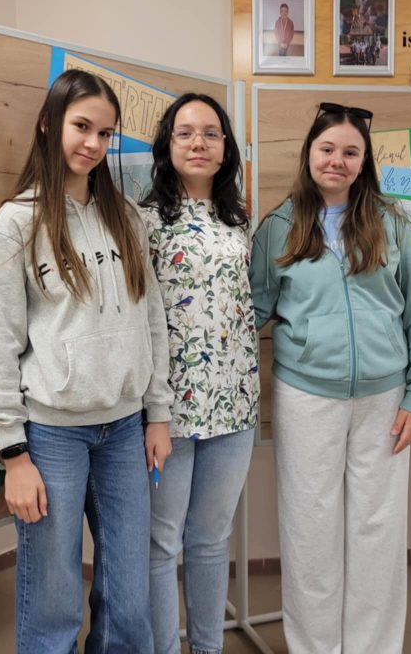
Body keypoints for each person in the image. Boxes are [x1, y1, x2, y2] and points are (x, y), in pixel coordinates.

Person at [0, 69, 173, 654]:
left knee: (129, 597)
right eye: (81, 126)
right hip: (52, 435)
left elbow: (152, 319)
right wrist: (13, 453)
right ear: (49, 124)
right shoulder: (16, 223)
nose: (93, 143)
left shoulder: (126, 217)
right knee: (53, 599)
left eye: (105, 134)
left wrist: (158, 413)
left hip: (125, 428)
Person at [249, 102, 411, 654]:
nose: (337, 160)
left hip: (385, 397)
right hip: (306, 397)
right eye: (327, 148)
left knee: (377, 530)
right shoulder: (279, 228)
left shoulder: (392, 222)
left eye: (350, 152)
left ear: (364, 161)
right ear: (309, 153)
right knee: (310, 530)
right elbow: (253, 311)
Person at [139, 94, 259, 654]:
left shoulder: (239, 220)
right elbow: (140, 323)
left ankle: (208, 648)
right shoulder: (144, 221)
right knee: (161, 544)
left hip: (235, 406)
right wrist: (154, 411)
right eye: (185, 132)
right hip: (169, 413)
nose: (198, 143)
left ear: (226, 147)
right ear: (167, 143)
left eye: (211, 133)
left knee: (211, 540)